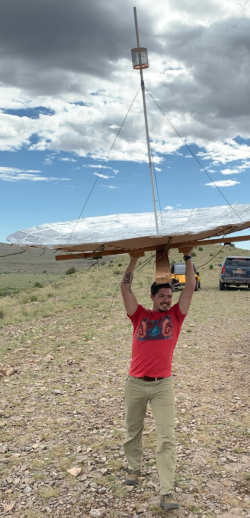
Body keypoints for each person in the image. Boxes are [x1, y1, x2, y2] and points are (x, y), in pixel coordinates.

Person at [120, 249, 195, 511]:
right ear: (152, 297)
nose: (166, 300)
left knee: (167, 436)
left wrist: (187, 257)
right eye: (161, 296)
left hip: (163, 384)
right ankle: (133, 467)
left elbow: (190, 288)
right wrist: (133, 259)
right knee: (133, 429)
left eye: (168, 297)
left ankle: (166, 491)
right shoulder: (139, 315)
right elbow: (125, 290)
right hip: (136, 382)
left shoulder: (176, 316)